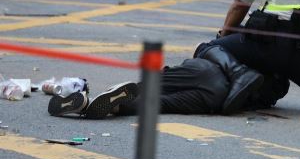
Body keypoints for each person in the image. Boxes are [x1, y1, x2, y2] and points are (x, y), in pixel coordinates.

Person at [48, 52, 284, 119]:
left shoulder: (247, 59)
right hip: (216, 99)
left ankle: (104, 97)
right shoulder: (261, 96)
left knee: (148, 86)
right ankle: (106, 107)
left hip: (205, 71)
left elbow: (206, 48)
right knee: (158, 104)